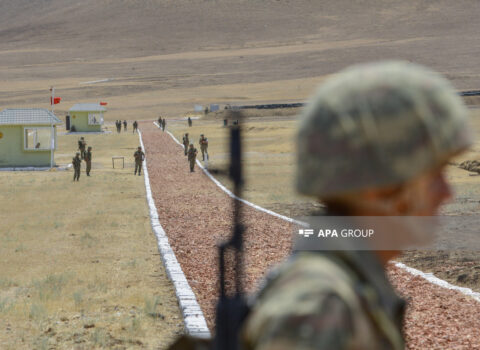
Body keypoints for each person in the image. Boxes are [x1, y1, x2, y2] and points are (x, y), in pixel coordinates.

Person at [241, 61, 472, 350]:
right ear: (380, 187)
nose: (447, 192)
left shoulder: (342, 289)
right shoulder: (318, 309)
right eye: (434, 173)